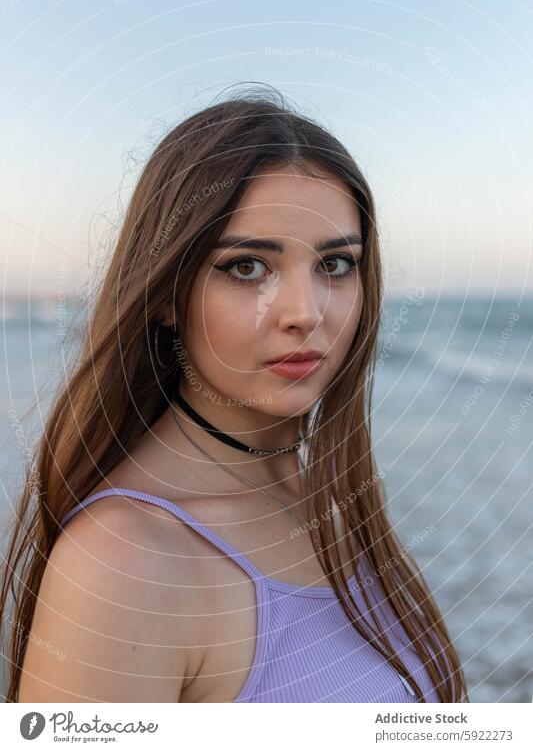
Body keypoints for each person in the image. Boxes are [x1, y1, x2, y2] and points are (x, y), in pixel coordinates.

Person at [2, 86, 468, 703]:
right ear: (166, 292)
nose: (304, 312)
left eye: (334, 265)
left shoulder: (325, 495)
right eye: (247, 266)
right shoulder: (126, 562)